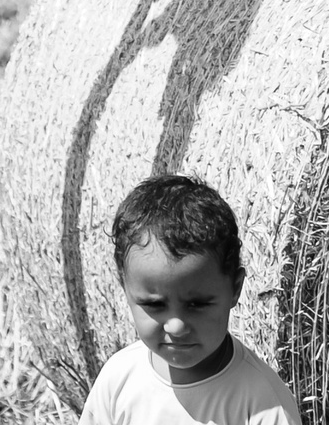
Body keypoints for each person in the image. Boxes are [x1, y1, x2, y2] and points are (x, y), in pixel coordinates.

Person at [81, 175, 302, 425]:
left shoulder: (263, 403)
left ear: (235, 288)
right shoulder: (118, 378)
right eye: (154, 305)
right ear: (125, 288)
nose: (176, 326)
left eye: (196, 304)